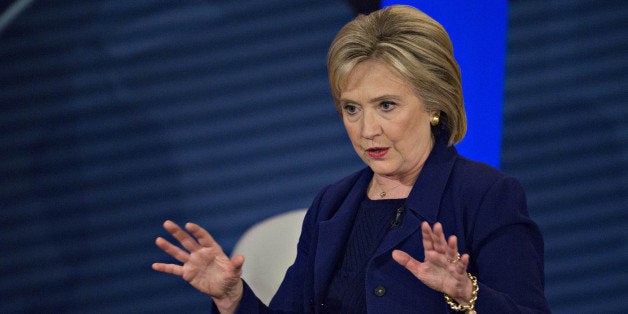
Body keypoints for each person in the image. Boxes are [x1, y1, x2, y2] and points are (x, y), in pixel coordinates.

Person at [152, 5, 550, 313]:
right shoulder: (333, 204)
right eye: (352, 108)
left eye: (386, 105)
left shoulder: (486, 196)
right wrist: (233, 298)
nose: (367, 130)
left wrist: (466, 294)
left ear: (434, 105)